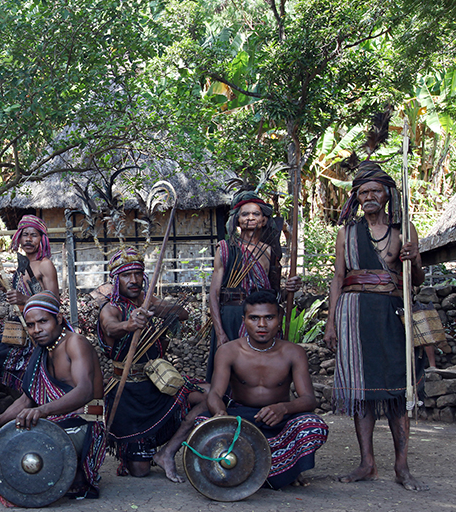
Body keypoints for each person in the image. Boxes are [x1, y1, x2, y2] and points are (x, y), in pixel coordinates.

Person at [324, 161, 427, 491]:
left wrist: (415, 259)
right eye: (363, 191)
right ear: (356, 197)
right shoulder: (346, 233)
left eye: (375, 191)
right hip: (353, 313)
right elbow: (339, 277)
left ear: (386, 195)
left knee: (398, 390)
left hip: (391, 313)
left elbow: (417, 282)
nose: (369, 196)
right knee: (360, 390)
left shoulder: (403, 230)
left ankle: (402, 467)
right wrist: (331, 322)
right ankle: (367, 463)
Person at [0, 291, 107, 501]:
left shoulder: (74, 342)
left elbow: (84, 391)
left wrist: (42, 410)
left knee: (23, 442)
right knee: (4, 437)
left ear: (58, 318)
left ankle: (75, 474)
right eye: (30, 325)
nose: (36, 330)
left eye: (43, 322)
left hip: (85, 423)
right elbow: (26, 399)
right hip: (55, 421)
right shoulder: (43, 350)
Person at [97, 247, 208, 481]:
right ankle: (135, 453)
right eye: (127, 275)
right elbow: (110, 327)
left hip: (157, 384)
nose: (134, 280)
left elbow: (182, 313)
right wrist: (129, 324)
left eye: (138, 273)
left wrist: (155, 308)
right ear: (116, 280)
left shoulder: (149, 302)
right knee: (140, 471)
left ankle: (168, 452)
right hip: (127, 392)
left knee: (209, 397)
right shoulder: (111, 308)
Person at [207, 290, 328, 488]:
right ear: (244, 320)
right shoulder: (229, 351)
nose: (262, 325)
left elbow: (309, 400)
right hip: (240, 420)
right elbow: (215, 393)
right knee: (202, 422)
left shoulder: (293, 352)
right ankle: (282, 470)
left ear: (279, 319)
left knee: (314, 426)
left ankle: (279, 469)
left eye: (269, 318)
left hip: (279, 421)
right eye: (254, 318)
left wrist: (283, 408)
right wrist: (220, 414)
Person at [208, 190, 301, 380]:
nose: (250, 218)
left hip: (261, 318)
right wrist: (220, 333)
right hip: (232, 316)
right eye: (244, 214)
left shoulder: (269, 252)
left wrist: (289, 288)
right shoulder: (225, 249)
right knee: (229, 374)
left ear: (264, 220)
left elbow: (273, 295)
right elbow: (214, 294)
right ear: (237, 220)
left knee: (261, 371)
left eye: (256, 214)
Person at [0, 214, 59, 390]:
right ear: (19, 238)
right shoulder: (21, 266)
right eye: (25, 235)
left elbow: (54, 301)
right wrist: (4, 287)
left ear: (42, 239)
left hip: (35, 330)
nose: (29, 239)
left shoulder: (45, 264)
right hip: (16, 330)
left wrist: (25, 299)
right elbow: (24, 295)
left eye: (34, 235)